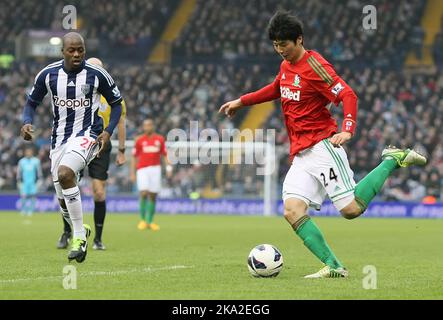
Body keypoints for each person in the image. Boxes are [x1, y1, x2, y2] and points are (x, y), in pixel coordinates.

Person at [219, 11, 427, 278]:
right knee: (292, 211)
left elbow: (348, 94)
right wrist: (242, 100)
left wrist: (348, 129)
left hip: (322, 146)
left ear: (299, 40)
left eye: (284, 44)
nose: (280, 50)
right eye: (275, 45)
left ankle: (392, 160)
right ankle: (334, 266)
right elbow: (277, 88)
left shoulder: (315, 66)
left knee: (351, 210)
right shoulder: (286, 66)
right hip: (301, 154)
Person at [21, 32, 123, 263]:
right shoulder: (48, 74)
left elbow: (117, 104)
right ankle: (81, 230)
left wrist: (108, 132)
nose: (77, 54)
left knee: (66, 174)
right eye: (72, 50)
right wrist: (27, 122)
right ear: (63, 51)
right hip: (59, 140)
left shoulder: (97, 75)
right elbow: (31, 102)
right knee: (62, 198)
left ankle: (79, 237)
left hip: (88, 135)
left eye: (81, 50)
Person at [57, 57, 127, 251]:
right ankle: (68, 232)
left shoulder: (113, 96)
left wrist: (122, 151)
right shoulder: (77, 91)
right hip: (76, 144)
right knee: (66, 186)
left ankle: (98, 239)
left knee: (99, 192)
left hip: (101, 147)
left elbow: (121, 122)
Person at [131, 119, 172, 231]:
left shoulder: (159, 139)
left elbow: (165, 155)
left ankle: (150, 221)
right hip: (142, 169)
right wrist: (132, 173)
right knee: (144, 193)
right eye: (145, 125)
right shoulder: (139, 140)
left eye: (149, 125)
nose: (147, 127)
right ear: (143, 127)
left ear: (153, 126)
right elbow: (134, 157)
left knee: (153, 195)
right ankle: (143, 220)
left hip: (155, 169)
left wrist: (168, 168)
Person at [16, 146, 42, 216]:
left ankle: (30, 211)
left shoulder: (36, 161)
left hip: (33, 182)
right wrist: (18, 181)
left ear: (32, 152)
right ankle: (23, 210)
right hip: (24, 182)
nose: (28, 153)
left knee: (33, 196)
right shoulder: (21, 161)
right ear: (25, 153)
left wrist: (39, 180)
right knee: (23, 197)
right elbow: (19, 172)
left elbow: (39, 172)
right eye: (27, 152)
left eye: (30, 152)